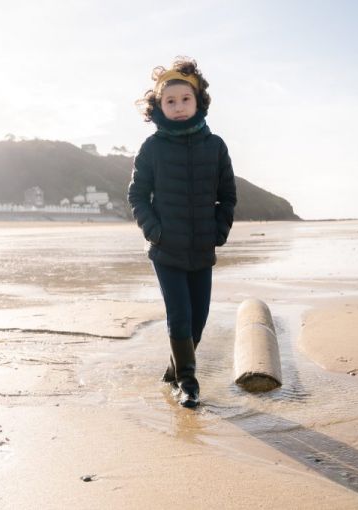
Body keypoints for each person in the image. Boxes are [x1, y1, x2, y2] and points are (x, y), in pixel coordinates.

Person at [128, 56, 237, 408]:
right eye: (170, 101)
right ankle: (188, 383)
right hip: (166, 249)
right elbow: (137, 195)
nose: (178, 107)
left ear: (198, 101)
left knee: (198, 321)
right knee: (180, 316)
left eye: (185, 99)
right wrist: (154, 231)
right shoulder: (152, 148)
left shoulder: (215, 146)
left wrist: (218, 231)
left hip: (202, 249)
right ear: (158, 106)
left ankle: (173, 371)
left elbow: (227, 196)